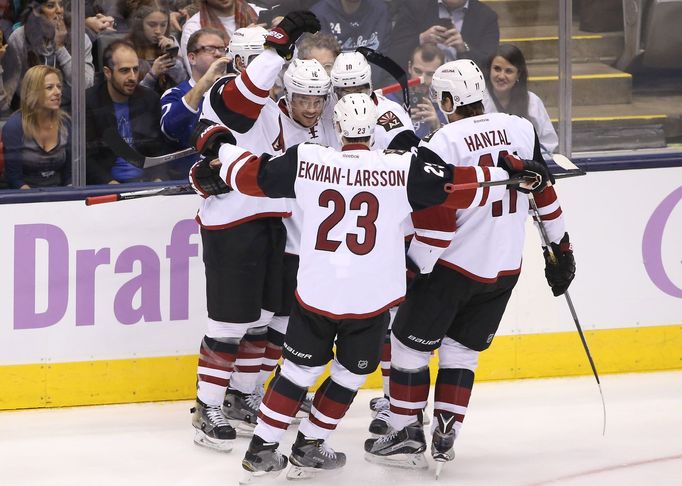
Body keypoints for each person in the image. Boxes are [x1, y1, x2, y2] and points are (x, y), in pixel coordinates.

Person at [188, 92, 550, 480]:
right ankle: (310, 442)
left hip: (317, 292)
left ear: (338, 128)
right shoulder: (400, 167)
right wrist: (508, 174)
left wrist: (219, 148)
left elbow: (251, 175)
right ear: (374, 126)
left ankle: (261, 448)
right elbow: (454, 184)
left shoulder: (309, 159)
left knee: (296, 372)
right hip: (371, 298)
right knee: (349, 374)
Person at [363, 59, 576, 477]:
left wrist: (410, 270)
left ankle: (406, 432)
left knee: (409, 347)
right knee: (461, 351)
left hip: (451, 267)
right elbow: (542, 190)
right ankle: (447, 429)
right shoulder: (520, 128)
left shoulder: (442, 142)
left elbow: (432, 220)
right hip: (504, 268)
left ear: (447, 99)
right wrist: (561, 249)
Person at [186, 11, 328, 451]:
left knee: (263, 321)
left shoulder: (277, 109)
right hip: (232, 226)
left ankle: (242, 395)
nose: (269, 71)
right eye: (259, 60)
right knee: (228, 323)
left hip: (272, 223)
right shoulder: (227, 95)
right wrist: (279, 42)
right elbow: (243, 104)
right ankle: (206, 406)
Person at [85, 40, 169, 184]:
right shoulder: (89, 102)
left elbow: (158, 148)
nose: (132, 77)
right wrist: (108, 182)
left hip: (146, 183)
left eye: (135, 69)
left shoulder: (149, 99)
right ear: (107, 72)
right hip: (107, 186)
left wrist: (157, 177)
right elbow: (85, 156)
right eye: (124, 70)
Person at [159, 27, 231, 178]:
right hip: (188, 187)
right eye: (210, 49)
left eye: (222, 49)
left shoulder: (234, 93)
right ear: (192, 58)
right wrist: (206, 81)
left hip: (232, 181)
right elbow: (171, 128)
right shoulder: (174, 95)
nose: (218, 54)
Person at [1, 0, 95, 110]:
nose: (59, 10)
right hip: (31, 111)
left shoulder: (79, 37)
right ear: (36, 11)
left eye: (61, 5)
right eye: (51, 6)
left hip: (71, 110)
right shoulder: (19, 38)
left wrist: (60, 47)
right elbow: (5, 101)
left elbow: (85, 84)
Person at [2, 65, 71, 188]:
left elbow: (70, 173)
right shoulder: (14, 126)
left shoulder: (65, 122)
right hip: (25, 195)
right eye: (49, 88)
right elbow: (14, 178)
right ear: (32, 92)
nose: (58, 92)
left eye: (59, 87)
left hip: (60, 193)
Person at [483, 43, 558, 154]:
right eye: (497, 69)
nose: (501, 76)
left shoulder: (532, 102)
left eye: (508, 71)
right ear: (489, 70)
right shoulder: (479, 102)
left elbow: (548, 143)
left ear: (518, 75)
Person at [388, 0, 499, 73]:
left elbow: (489, 64)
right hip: (417, 85)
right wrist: (421, 39)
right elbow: (394, 52)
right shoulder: (414, 6)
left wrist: (463, 48)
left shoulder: (486, 17)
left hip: (462, 88)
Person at [311, 0, 391, 85]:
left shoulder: (380, 10)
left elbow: (386, 59)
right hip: (333, 88)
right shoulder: (318, 13)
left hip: (373, 87)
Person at [179, 0, 258, 74]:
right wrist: (241, 41)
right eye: (210, 49)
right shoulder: (193, 28)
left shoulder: (257, 12)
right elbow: (200, 77)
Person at [127, 0, 188, 94]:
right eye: (152, 25)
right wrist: (152, 75)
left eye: (163, 25)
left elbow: (184, 86)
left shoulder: (171, 43)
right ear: (140, 24)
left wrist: (173, 60)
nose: (158, 31)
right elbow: (131, 97)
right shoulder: (125, 49)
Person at [387, 44, 446, 138]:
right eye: (418, 71)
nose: (422, 79)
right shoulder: (389, 99)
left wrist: (437, 127)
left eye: (430, 74)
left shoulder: (446, 106)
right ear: (410, 67)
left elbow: (451, 149)